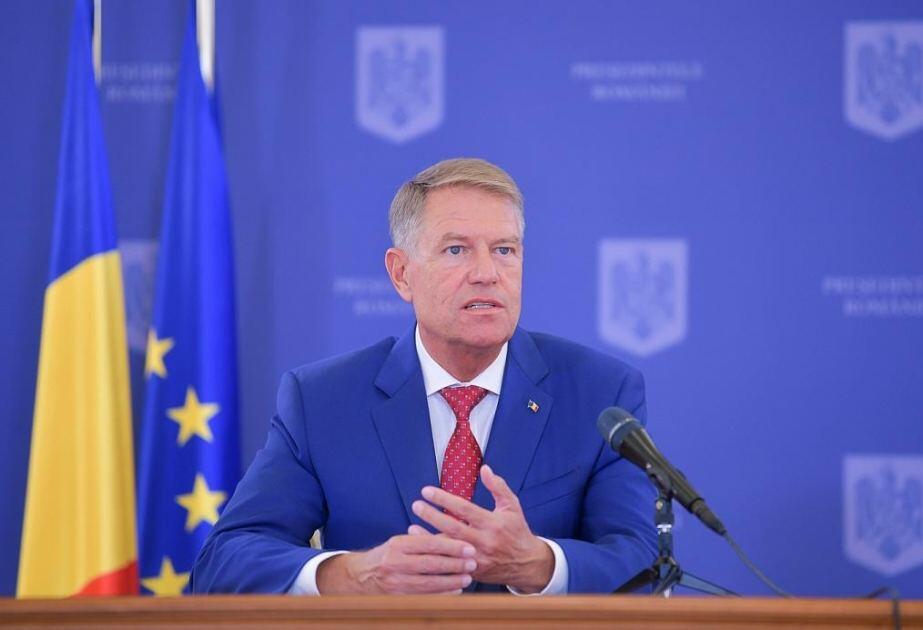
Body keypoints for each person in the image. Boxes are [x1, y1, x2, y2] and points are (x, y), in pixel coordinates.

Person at [190, 158, 657, 595]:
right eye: (456, 249)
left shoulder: (599, 394)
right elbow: (222, 562)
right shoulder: (322, 401)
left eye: (504, 250)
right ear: (401, 274)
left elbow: (647, 564)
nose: (487, 273)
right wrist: (355, 574)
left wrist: (537, 564)